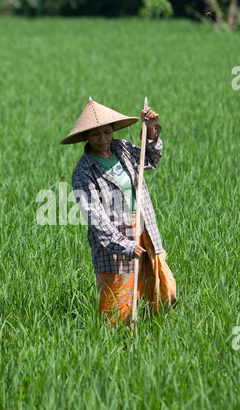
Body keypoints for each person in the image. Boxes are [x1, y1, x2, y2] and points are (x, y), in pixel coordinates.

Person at [61, 97, 177, 326]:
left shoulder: (122, 148)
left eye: (106, 132)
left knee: (161, 292)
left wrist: (151, 129)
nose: (103, 139)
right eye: (95, 135)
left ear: (113, 130)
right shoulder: (84, 172)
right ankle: (119, 351)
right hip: (115, 244)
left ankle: (153, 339)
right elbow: (96, 218)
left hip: (145, 232)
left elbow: (150, 159)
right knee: (117, 309)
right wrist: (124, 245)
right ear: (86, 137)